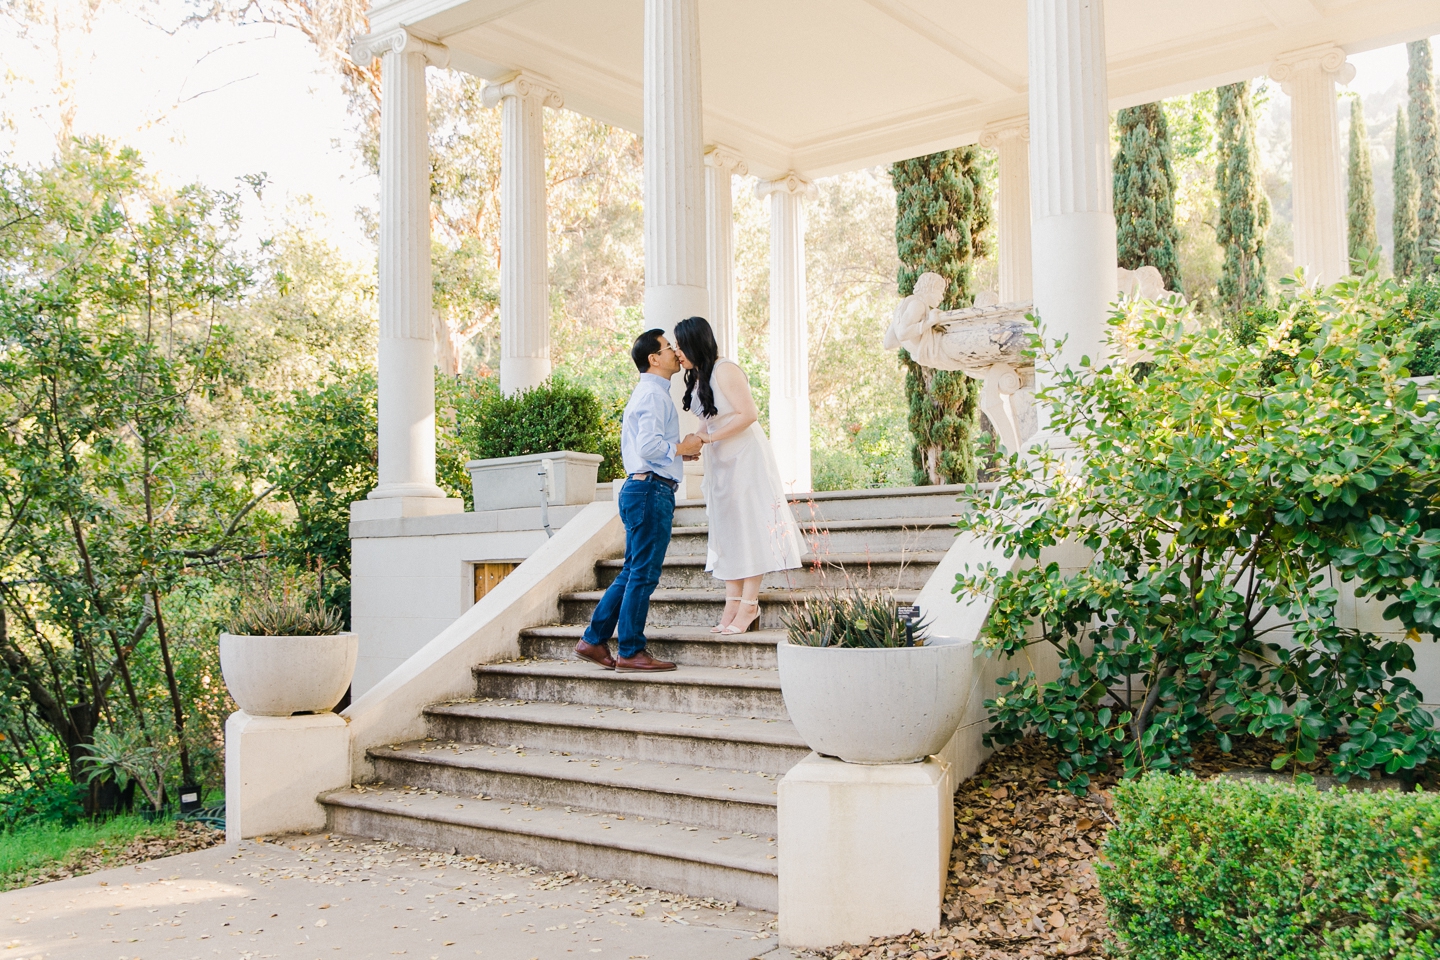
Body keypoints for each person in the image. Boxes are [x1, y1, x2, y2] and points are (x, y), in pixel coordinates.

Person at [574, 329, 704, 673]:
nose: (676, 353)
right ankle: (630, 650)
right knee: (643, 574)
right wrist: (681, 448)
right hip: (650, 491)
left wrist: (678, 457)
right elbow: (648, 448)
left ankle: (593, 640)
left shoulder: (652, 393)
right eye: (668, 348)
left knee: (633, 570)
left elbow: (645, 447)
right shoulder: (653, 395)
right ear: (653, 358)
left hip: (642, 488)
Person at [672, 316, 802, 635]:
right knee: (727, 529)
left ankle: (749, 605)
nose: (676, 352)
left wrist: (708, 439)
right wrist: (696, 443)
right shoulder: (699, 376)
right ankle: (732, 602)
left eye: (679, 345)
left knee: (749, 526)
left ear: (695, 342)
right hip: (720, 460)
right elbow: (708, 421)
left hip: (745, 456)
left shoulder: (725, 369)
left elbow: (749, 414)